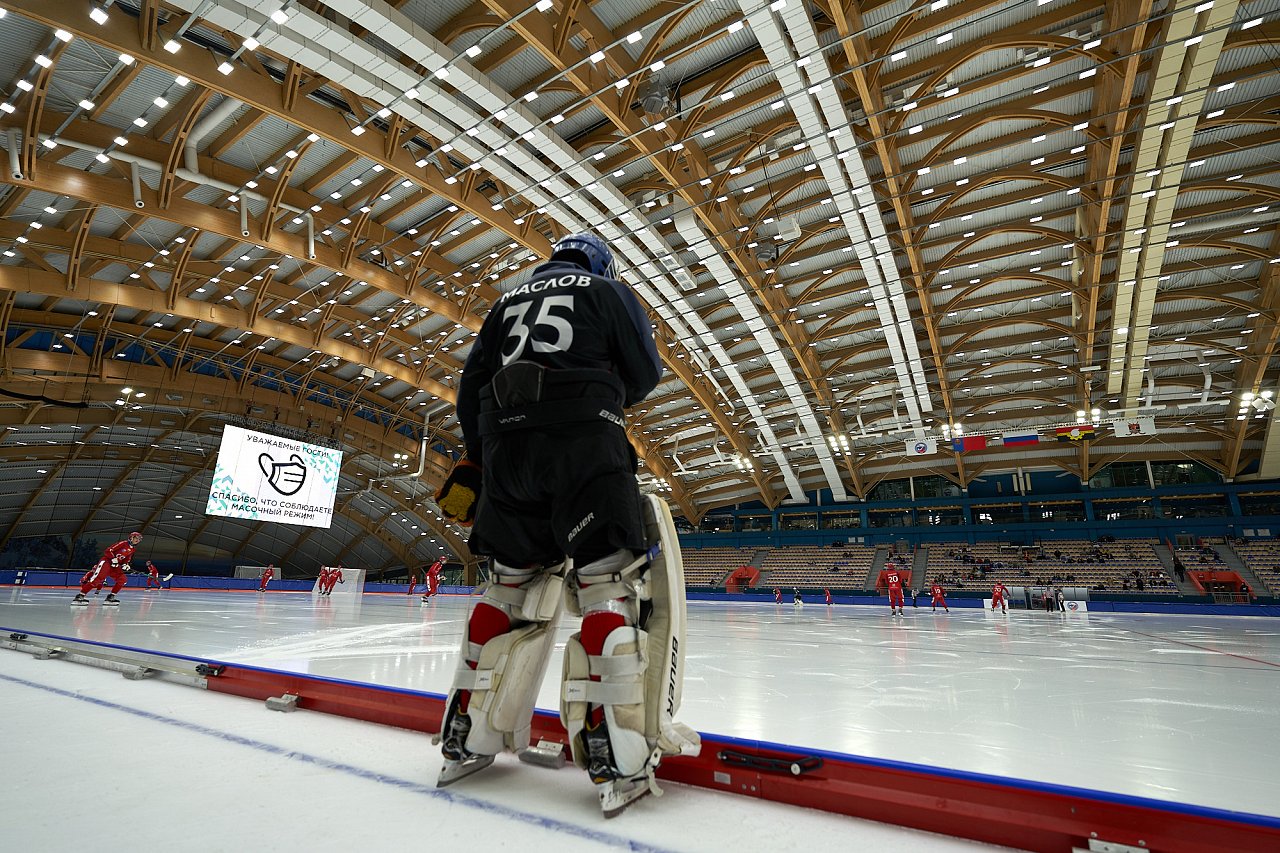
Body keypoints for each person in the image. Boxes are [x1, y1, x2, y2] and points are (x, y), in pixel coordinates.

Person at [431, 232, 700, 816]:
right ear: (601, 262)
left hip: (506, 453)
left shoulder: (505, 304)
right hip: (583, 443)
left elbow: (471, 389)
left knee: (506, 588)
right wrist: (596, 391)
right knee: (607, 586)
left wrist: (482, 456)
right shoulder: (608, 290)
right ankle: (616, 752)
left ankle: (466, 733)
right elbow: (644, 372)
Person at [72, 532, 142, 606]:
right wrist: (113, 558)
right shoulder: (123, 543)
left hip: (115, 566)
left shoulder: (132, 549)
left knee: (122, 579)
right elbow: (108, 550)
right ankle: (80, 596)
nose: (138, 540)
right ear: (131, 538)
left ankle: (110, 597)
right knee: (97, 579)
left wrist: (126, 564)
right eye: (136, 538)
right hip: (107, 562)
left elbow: (127, 559)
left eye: (139, 539)